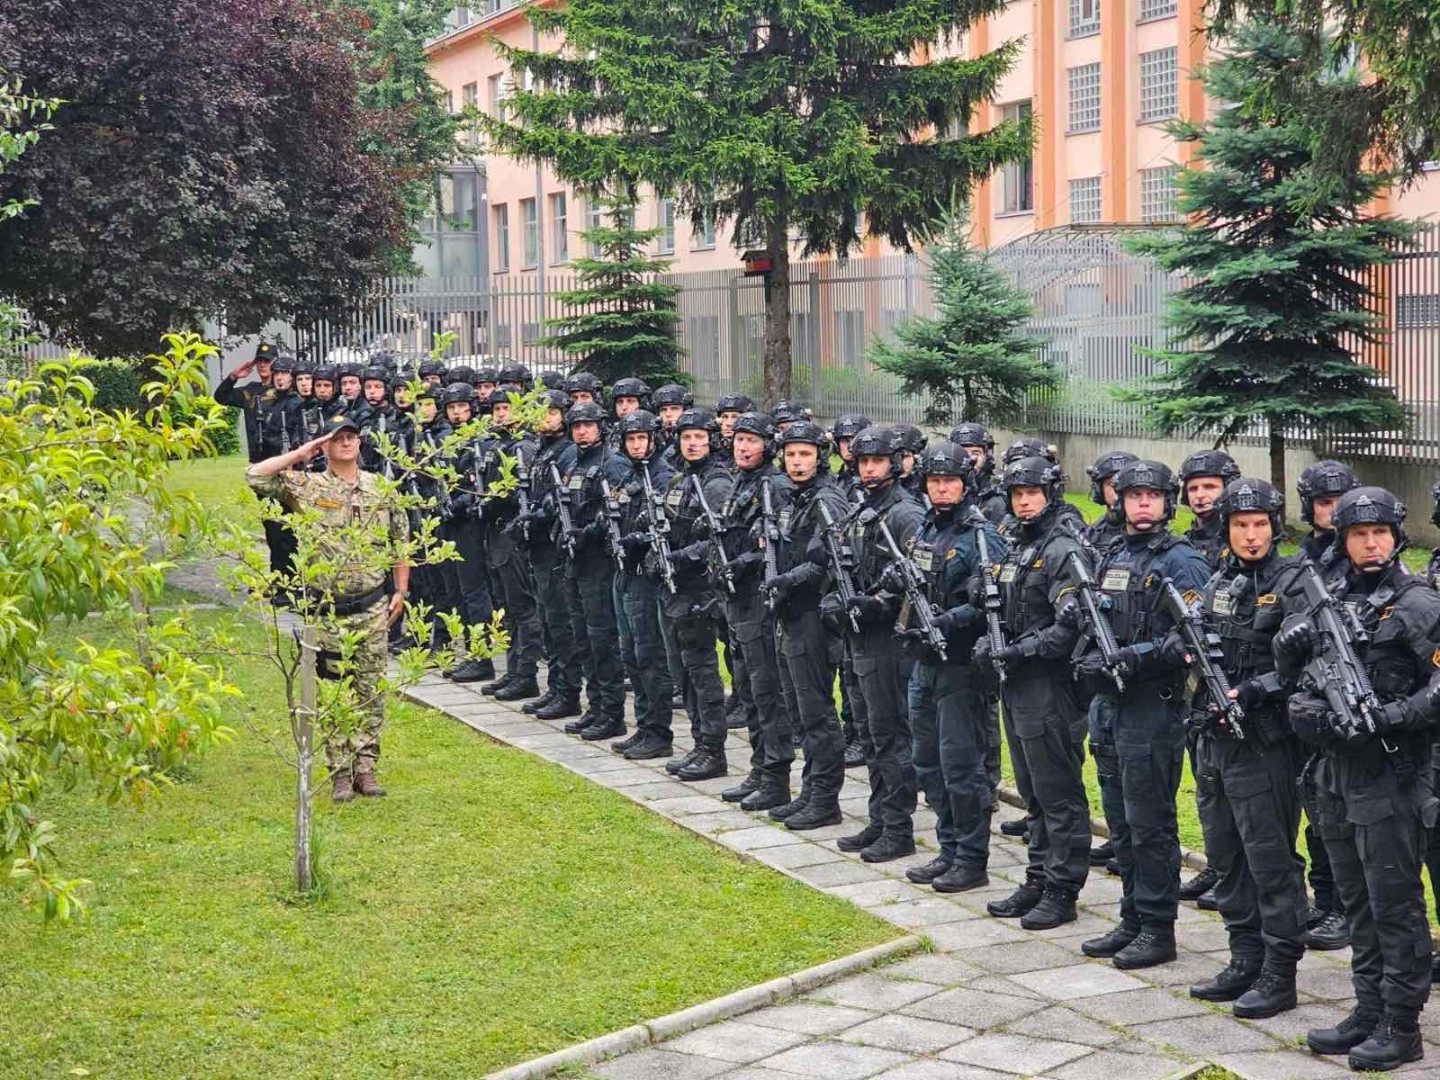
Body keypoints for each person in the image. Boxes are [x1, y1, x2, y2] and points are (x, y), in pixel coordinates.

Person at [1276, 487, 1440, 1072]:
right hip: (1334, 776)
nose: (1371, 544)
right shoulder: (1330, 598)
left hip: (1392, 777)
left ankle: (1402, 1024)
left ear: (1396, 536)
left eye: (1380, 534)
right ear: (1342, 540)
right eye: (1358, 535)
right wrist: (1304, 703)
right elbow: (1297, 677)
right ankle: (1368, 1008)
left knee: (1394, 905)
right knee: (1356, 903)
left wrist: (1388, 719)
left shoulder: (1419, 603)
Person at [1179, 478, 1308, 1020]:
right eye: (1240, 526)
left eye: (1259, 525)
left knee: (1270, 861)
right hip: (1213, 742)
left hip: (1263, 744)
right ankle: (1244, 957)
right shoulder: (1219, 581)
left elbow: (1310, 665)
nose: (1251, 536)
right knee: (1227, 857)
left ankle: (1279, 972)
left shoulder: (1298, 582)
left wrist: (1257, 689)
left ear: (1274, 526)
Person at [1077, 459, 1211, 969]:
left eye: (1153, 496)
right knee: (1120, 820)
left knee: (1150, 821)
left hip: (1152, 708)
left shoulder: (1182, 562)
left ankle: (1157, 926)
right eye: (1134, 496)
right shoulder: (1112, 553)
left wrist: (1140, 655)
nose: (1143, 505)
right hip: (1108, 705)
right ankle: (1132, 916)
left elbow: (1194, 636)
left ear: (1166, 502)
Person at [246, 415, 410, 802]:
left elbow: (400, 543)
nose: (346, 443)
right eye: (338, 438)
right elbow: (256, 476)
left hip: (372, 606)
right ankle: (338, 771)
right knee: (333, 690)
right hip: (327, 611)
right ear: (326, 445)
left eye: (352, 437)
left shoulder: (381, 488)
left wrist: (400, 589)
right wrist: (302, 453)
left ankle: (366, 769)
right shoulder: (308, 486)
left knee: (369, 691)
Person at [975, 455, 1090, 928]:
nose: (1025, 502)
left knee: (1058, 793)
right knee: (1032, 792)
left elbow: (1072, 624)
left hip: (1050, 686)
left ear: (1050, 494)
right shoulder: (1016, 545)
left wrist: (1024, 650)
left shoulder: (1063, 548)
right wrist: (990, 638)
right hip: (1016, 684)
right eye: (1018, 494)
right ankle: (1039, 875)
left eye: (1033, 494)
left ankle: (1063, 887)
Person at [902, 441, 1007, 892]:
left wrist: (950, 619)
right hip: (923, 662)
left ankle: (971, 856)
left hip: (961, 665)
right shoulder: (926, 527)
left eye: (950, 482)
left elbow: (991, 604)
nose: (942, 489)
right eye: (934, 481)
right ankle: (948, 848)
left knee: (961, 766)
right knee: (928, 763)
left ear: (965, 484)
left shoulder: (982, 536)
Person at [828, 425, 923, 864]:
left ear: (894, 463)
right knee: (867, 733)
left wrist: (877, 604)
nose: (868, 469)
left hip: (887, 641)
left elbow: (915, 583)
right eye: (863, 462)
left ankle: (898, 826)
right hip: (858, 635)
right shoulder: (864, 507)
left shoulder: (904, 512)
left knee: (889, 736)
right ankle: (880, 818)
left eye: (877, 462)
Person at [762, 420, 848, 830]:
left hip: (814, 615)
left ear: (820, 458)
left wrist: (789, 581)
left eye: (805, 455)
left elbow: (826, 561)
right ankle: (810, 790)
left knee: (816, 711)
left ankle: (826, 798)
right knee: (798, 710)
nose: (797, 462)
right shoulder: (792, 498)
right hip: (789, 613)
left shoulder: (827, 500)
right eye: (791, 455)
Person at [713, 411, 796, 811]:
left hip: (759, 603)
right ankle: (760, 767)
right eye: (739, 440)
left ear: (767, 445)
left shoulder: (774, 487)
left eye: (752, 441)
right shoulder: (740, 481)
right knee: (747, 689)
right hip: (736, 600)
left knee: (767, 692)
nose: (743, 447)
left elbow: (774, 545)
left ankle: (776, 776)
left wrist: (744, 561)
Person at [661, 407, 733, 781]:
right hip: (675, 590)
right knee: (684, 672)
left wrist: (679, 555)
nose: (692, 443)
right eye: (686, 437)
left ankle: (713, 748)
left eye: (699, 438)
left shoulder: (716, 482)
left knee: (702, 673)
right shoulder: (680, 479)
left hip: (700, 591)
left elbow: (715, 540)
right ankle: (698, 741)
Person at [608, 409, 678, 760]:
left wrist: (640, 537)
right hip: (625, 573)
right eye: (631, 440)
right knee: (630, 655)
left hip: (646, 578)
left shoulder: (664, 478)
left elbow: (668, 528)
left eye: (642, 439)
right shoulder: (631, 477)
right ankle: (644, 724)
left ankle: (658, 731)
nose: (637, 445)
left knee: (650, 656)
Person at [558, 400, 630, 740]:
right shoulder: (572, 460)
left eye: (587, 425)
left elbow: (616, 512)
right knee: (582, 637)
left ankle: (612, 712)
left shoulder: (612, 464)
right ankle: (596, 705)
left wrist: (587, 532)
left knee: (602, 640)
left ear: (600, 426)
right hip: (575, 560)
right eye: (576, 426)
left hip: (598, 562)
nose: (581, 430)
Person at [517, 389, 588, 720]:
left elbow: (563, 499)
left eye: (552, 412)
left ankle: (568, 691)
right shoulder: (542, 451)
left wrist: (541, 513)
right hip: (540, 546)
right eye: (540, 413)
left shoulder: (567, 453)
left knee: (560, 622)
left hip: (557, 546)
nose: (545, 418)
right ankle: (556, 687)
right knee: (548, 619)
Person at [476, 385, 545, 701]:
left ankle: (526, 673)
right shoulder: (498, 444)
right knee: (507, 608)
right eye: (497, 409)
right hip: (497, 533)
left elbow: (522, 493)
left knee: (522, 607)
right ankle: (514, 670)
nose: (501, 413)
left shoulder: (524, 447)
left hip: (514, 534)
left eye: (507, 408)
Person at [437, 382, 496, 684]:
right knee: (459, 591)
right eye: (451, 408)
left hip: (472, 524)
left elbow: (479, 487)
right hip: (453, 524)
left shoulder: (480, 441)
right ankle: (472, 652)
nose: (457, 413)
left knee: (475, 592)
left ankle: (483, 656)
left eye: (462, 407)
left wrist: (459, 503)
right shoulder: (449, 440)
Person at [215, 342, 279, 463]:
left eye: (267, 361)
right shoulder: (250, 390)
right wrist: (233, 376)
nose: (262, 365)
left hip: (278, 456)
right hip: (256, 458)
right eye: (259, 361)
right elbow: (221, 397)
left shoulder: (282, 391)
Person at [1178, 448, 1241, 568]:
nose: (1200, 495)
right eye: (1193, 489)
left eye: (1209, 487)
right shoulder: (1180, 545)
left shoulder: (1242, 544)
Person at [949, 422, 1006, 524]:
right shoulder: (942, 494)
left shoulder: (996, 503)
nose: (971, 459)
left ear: (986, 457)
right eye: (962, 453)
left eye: (975, 453)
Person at [1083, 450, 1138, 553]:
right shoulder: (1091, 534)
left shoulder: (1154, 535)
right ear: (1099, 490)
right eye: (1111, 483)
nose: (1118, 489)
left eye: (1125, 483)